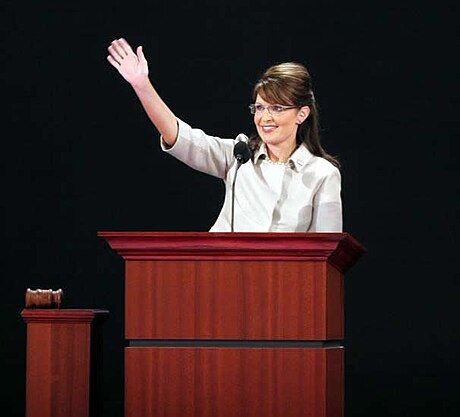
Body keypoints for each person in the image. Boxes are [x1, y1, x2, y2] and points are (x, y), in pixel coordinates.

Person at [107, 38, 342, 232]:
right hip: (223, 278)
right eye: (259, 108)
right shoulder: (238, 157)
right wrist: (141, 85)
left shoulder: (322, 174)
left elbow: (327, 256)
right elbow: (180, 137)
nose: (265, 117)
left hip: (282, 284)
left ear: (302, 114)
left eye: (277, 108)